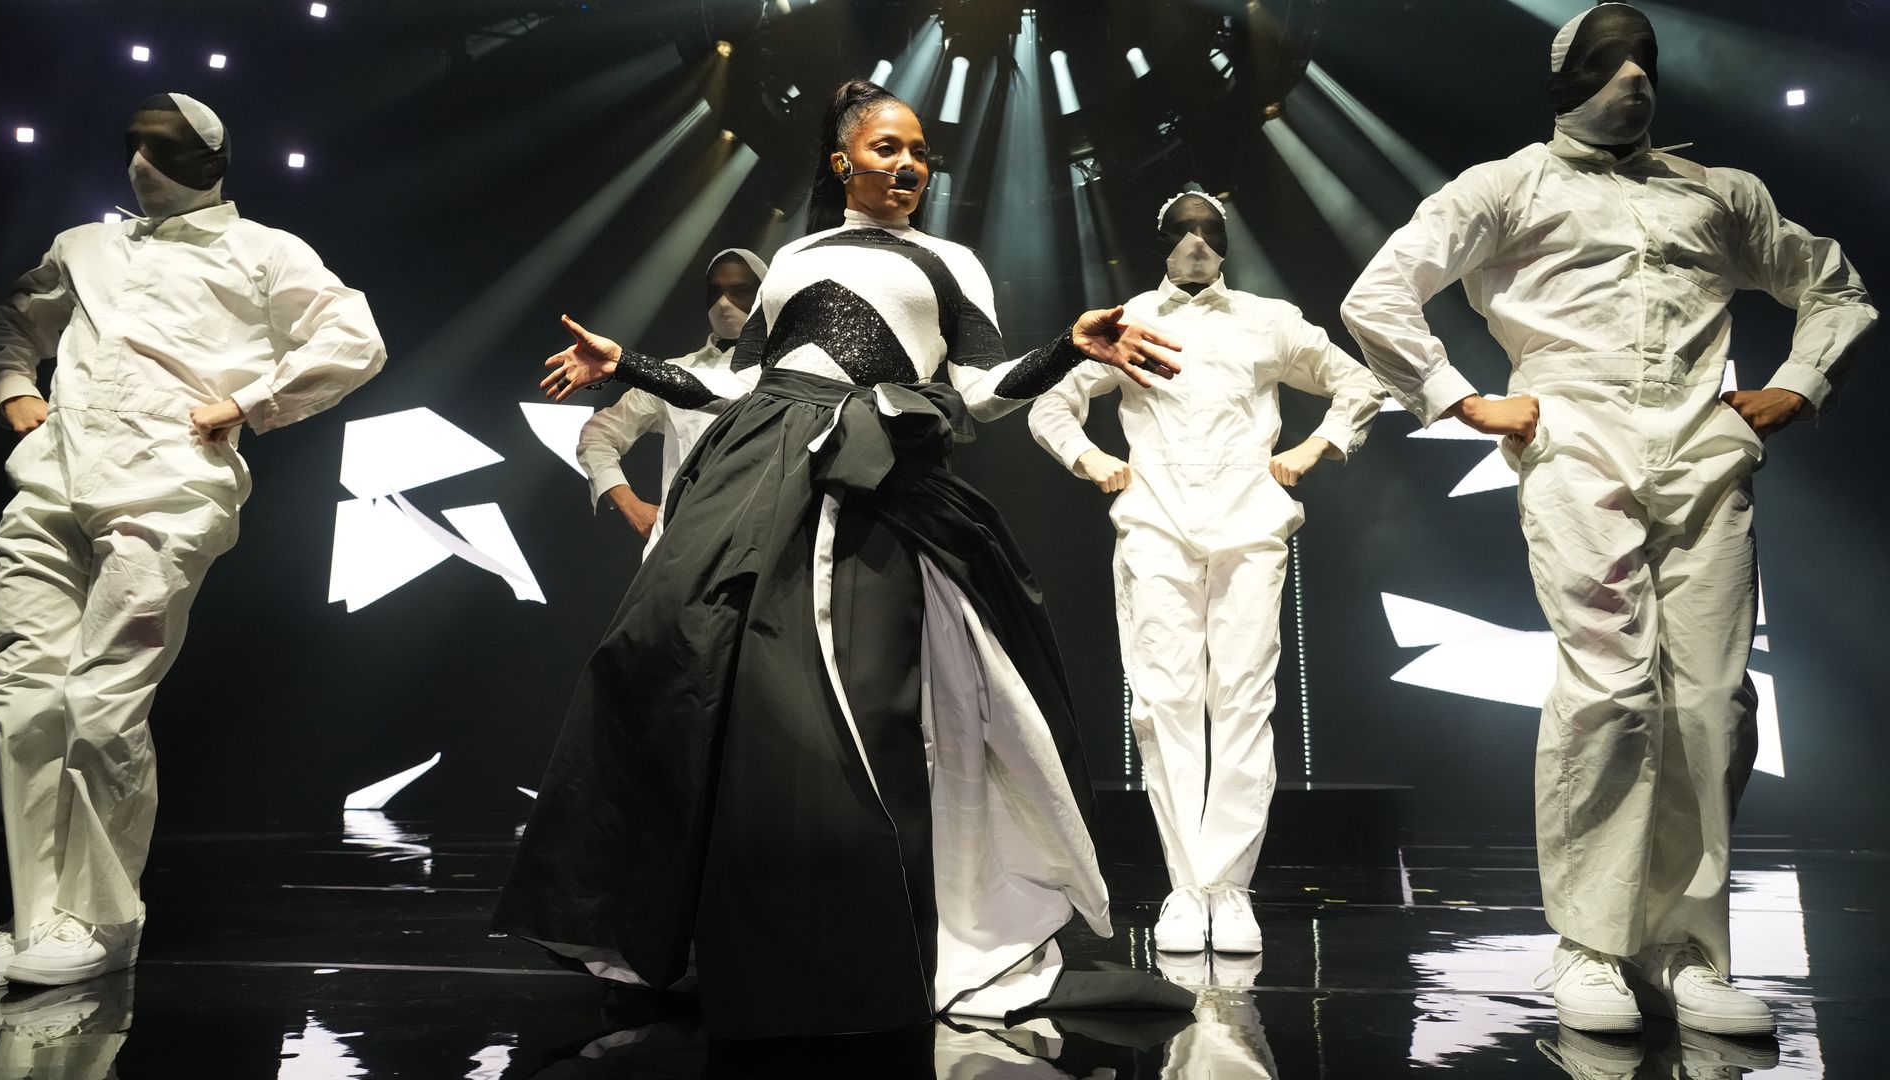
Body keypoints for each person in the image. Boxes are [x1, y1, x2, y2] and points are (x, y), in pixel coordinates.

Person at [495, 78, 1186, 1038]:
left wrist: (1067, 350)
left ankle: (862, 942)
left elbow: (978, 391)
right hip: (752, 470)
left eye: (919, 153)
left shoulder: (949, 262)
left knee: (847, 710)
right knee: (663, 656)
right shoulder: (796, 256)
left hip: (873, 481)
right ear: (843, 160)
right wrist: (635, 368)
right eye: (888, 150)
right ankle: (680, 928)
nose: (909, 166)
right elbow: (738, 385)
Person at [1340, 3, 1876, 1037]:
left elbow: (1834, 286)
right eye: (1605, 59)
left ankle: (1690, 954)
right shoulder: (1508, 186)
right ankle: (1590, 947)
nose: (1632, 75)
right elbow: (1381, 293)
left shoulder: (1720, 194)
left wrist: (1799, 386)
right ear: (1562, 79)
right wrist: (1462, 398)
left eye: (1645, 57)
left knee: (1716, 704)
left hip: (1704, 456)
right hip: (1580, 454)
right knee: (1610, 692)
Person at [0, 93, 387, 988]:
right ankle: (35, 915)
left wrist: (249, 403)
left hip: (166, 486)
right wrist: (15, 391)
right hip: (53, 477)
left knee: (101, 701)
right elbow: (14, 321)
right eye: (133, 144)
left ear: (212, 159)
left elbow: (352, 336)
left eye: (163, 147)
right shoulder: (83, 246)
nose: (141, 162)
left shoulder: (264, 250)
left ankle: (103, 917)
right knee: (18, 700)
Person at [1029, 190, 1382, 956]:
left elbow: (1360, 382)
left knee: (1244, 701)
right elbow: (1049, 405)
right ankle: (1187, 890)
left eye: (1210, 229)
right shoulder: (1126, 321)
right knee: (1165, 704)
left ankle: (1230, 887)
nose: (1196, 241)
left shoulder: (1270, 320)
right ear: (1158, 240)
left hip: (1250, 522)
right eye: (1182, 230)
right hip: (1156, 521)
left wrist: (1315, 448)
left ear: (1226, 241)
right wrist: (1093, 461)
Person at [575, 248, 765, 557]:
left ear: (763, 295)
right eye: (715, 291)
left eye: (740, 291)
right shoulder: (673, 373)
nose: (724, 303)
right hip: (676, 552)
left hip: (756, 552)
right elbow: (598, 434)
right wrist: (628, 502)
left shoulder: (786, 373)